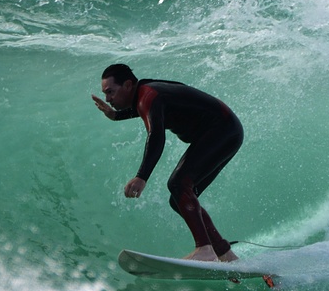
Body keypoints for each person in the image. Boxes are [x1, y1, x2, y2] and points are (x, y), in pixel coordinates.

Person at [92, 63, 242, 262]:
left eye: (110, 92)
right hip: (227, 131)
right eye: (105, 94)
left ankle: (205, 250)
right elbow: (150, 108)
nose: (108, 99)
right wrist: (116, 115)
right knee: (180, 198)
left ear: (128, 85)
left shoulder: (149, 96)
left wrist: (141, 176)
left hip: (222, 129)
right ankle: (225, 254)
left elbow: (156, 136)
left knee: (179, 185)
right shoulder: (147, 94)